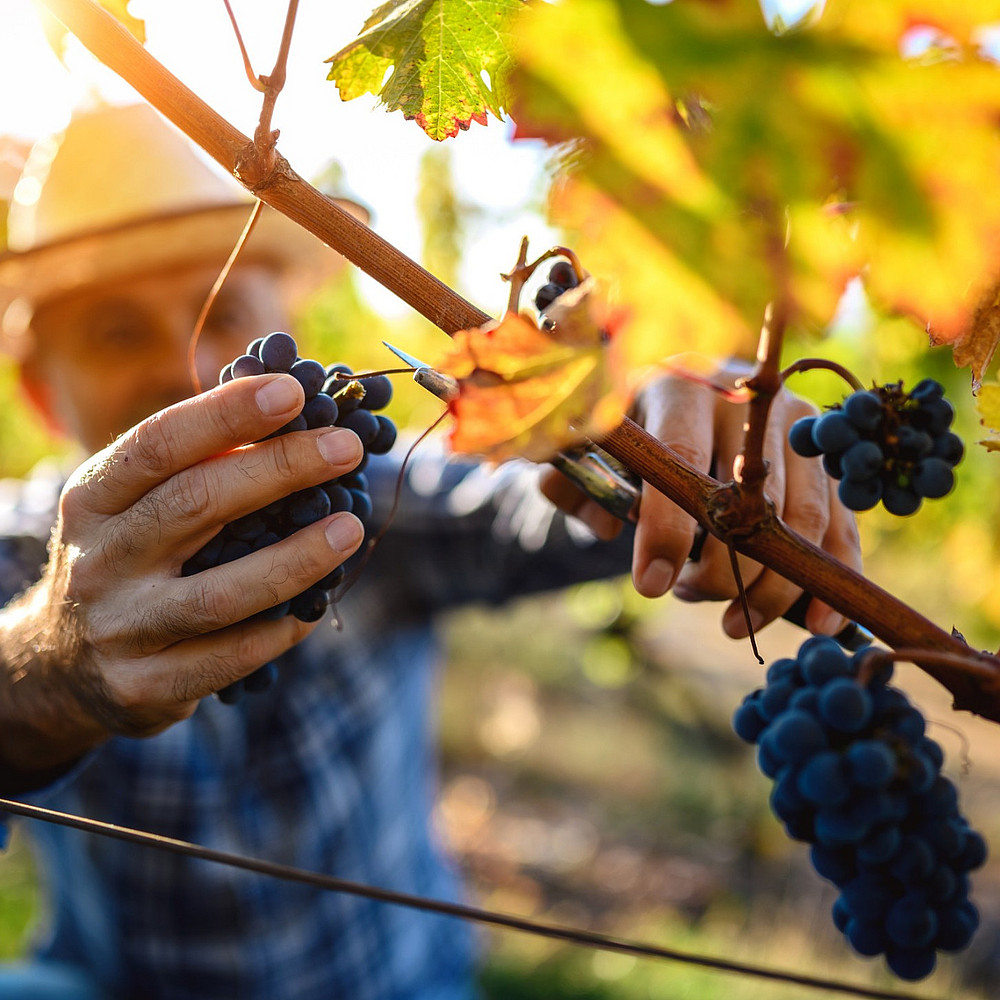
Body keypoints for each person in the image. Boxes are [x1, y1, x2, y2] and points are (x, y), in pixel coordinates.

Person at [0, 103, 860, 1000]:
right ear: (41, 394)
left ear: (285, 319)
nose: (187, 371)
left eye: (224, 316)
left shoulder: (374, 505)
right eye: (115, 332)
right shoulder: (16, 560)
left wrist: (659, 439)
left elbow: (536, 506)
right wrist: (45, 661)